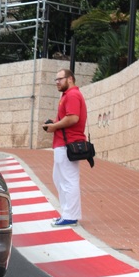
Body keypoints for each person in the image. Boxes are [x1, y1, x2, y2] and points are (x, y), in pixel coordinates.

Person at [42, 68, 87, 227]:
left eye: (60, 79)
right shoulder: (68, 95)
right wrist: (53, 125)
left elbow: (73, 118)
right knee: (59, 178)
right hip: (63, 143)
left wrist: (54, 127)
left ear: (70, 79)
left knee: (68, 180)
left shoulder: (73, 95)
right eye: (56, 79)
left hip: (68, 144)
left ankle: (71, 216)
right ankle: (67, 213)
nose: (57, 82)